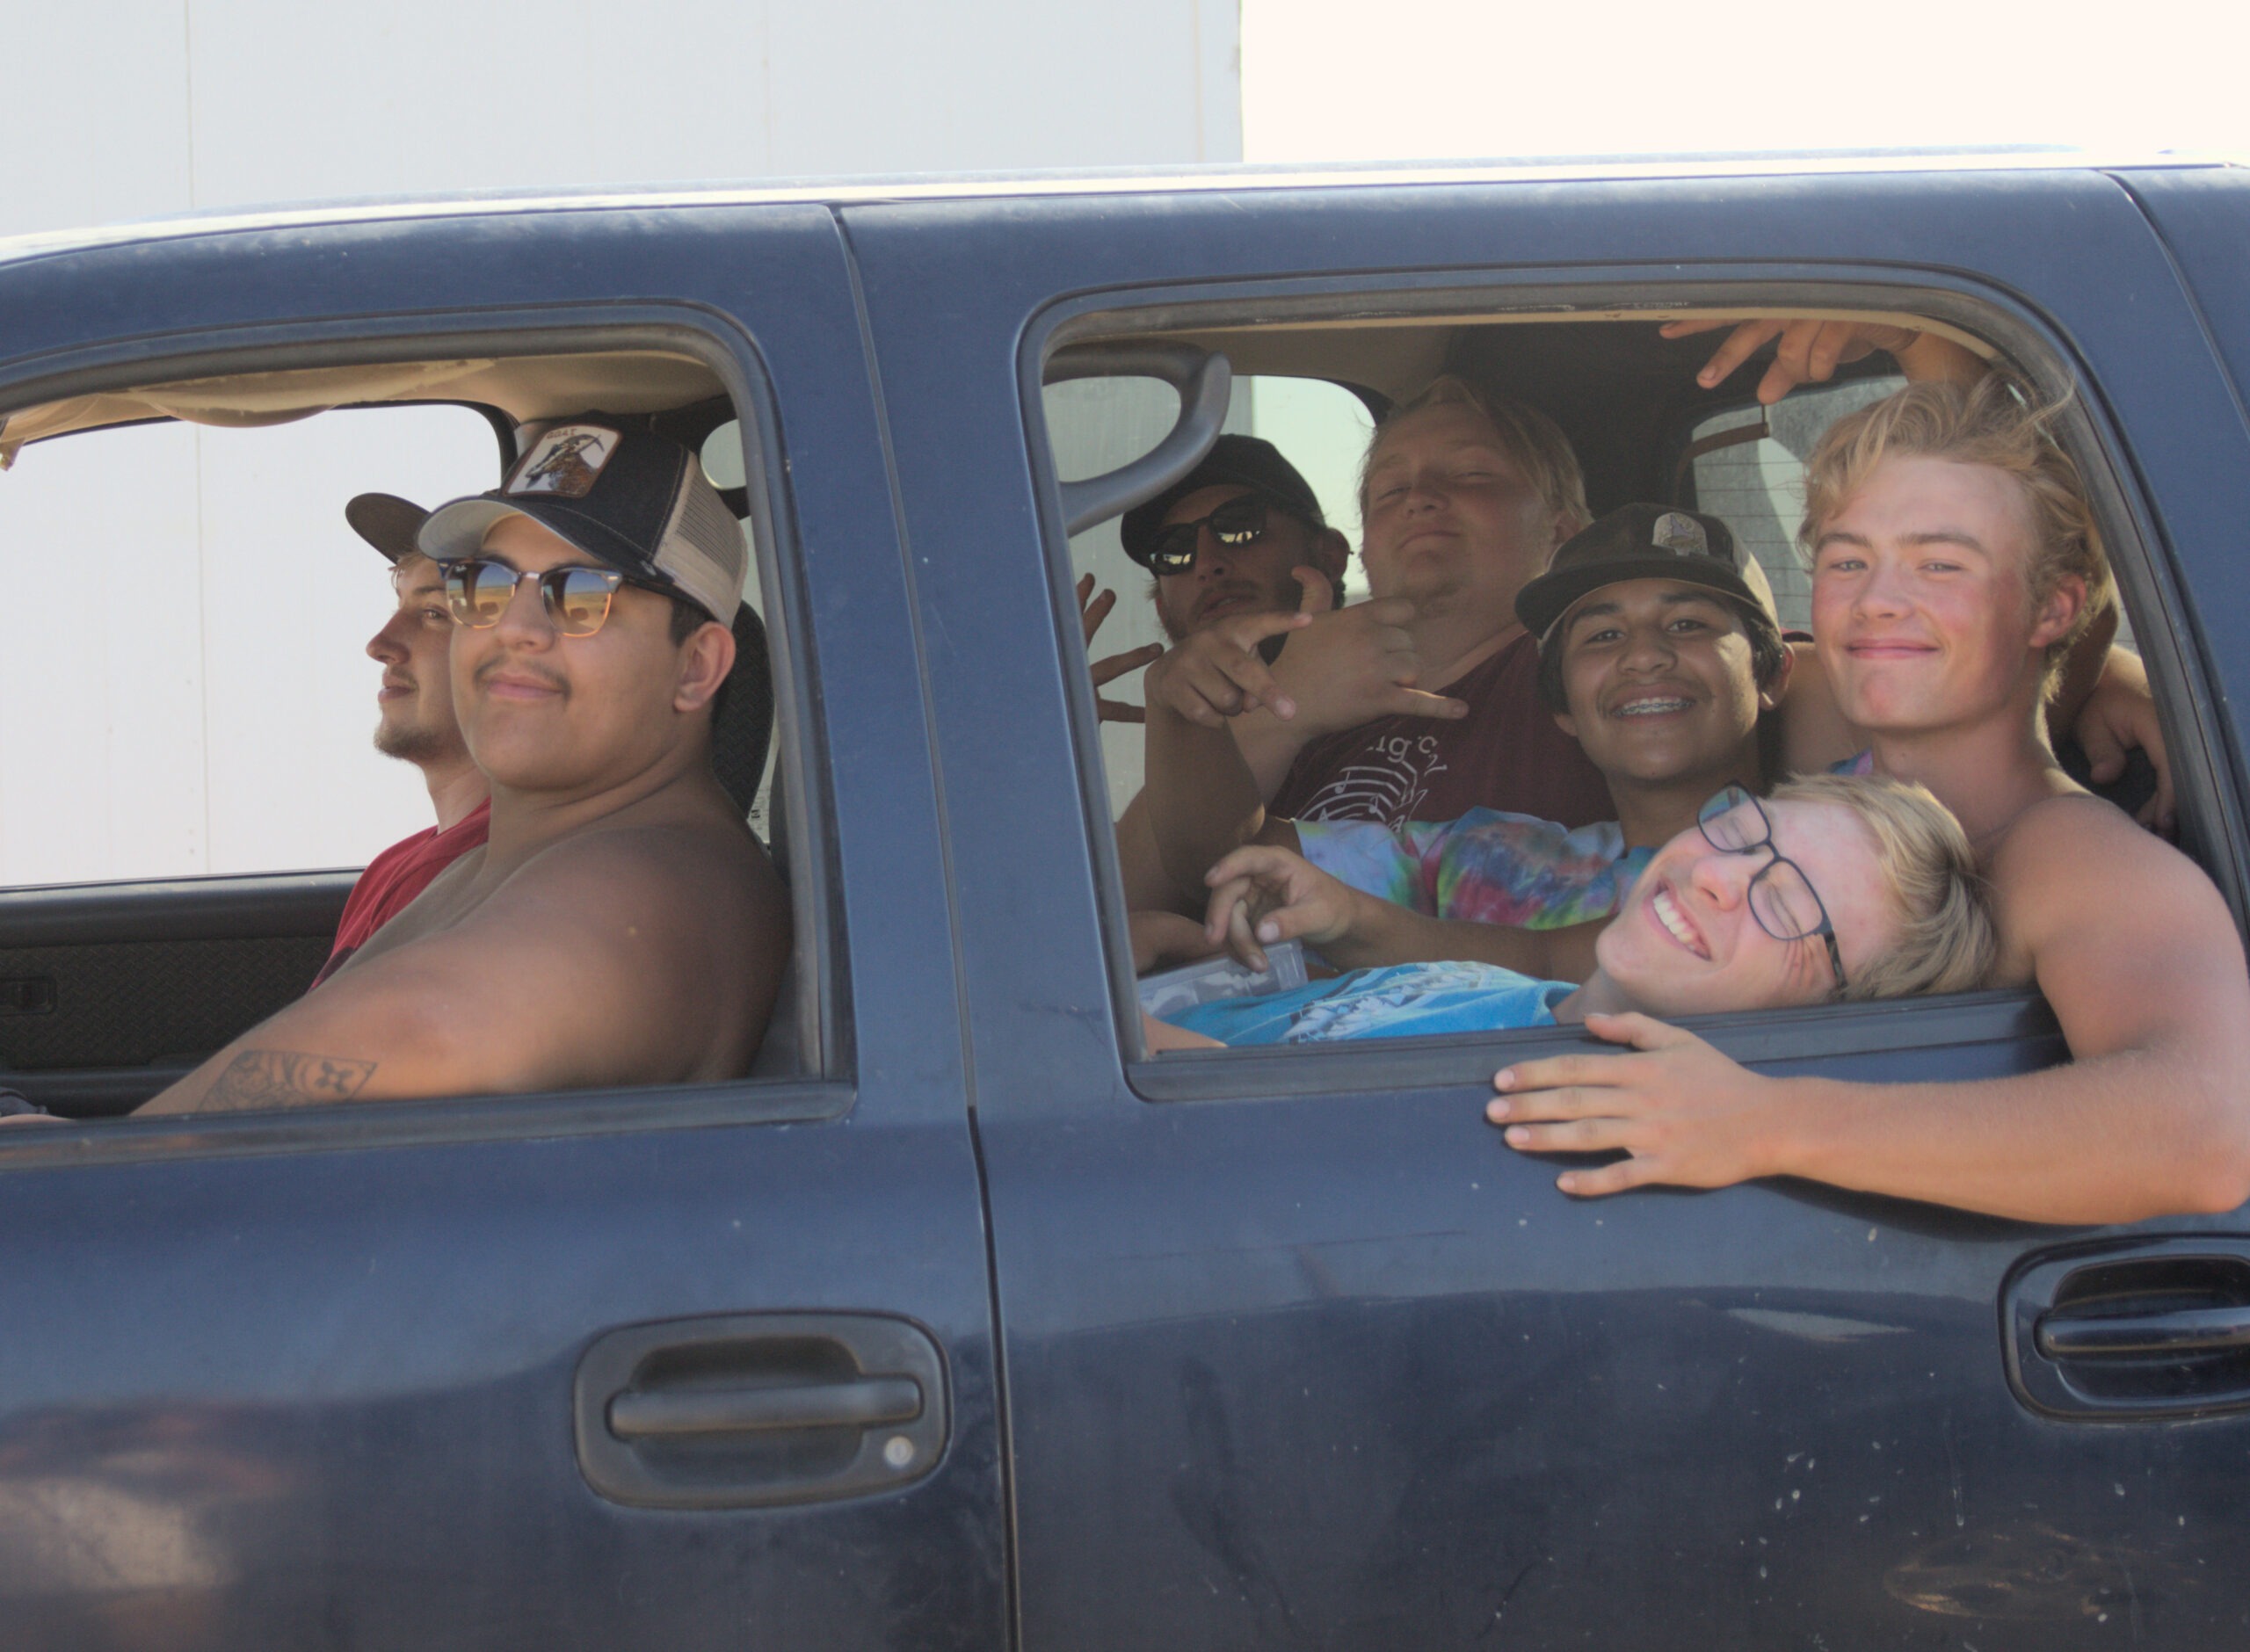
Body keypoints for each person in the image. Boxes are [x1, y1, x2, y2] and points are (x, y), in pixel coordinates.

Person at [1486, 377, 2250, 1221]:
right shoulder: (1838, 786)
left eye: (1939, 564)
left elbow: (2213, 1128)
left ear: (2050, 606)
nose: (1875, 600)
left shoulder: (2063, 853)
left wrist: (1767, 1123)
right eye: (1848, 560)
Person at [136, 417, 789, 1114]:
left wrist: (89, 1171)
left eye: (582, 594)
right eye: (487, 582)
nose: (513, 625)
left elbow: (432, 1030)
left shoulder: (663, 883)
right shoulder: (528, 852)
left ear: (696, 666)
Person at [1147, 504, 1794, 986]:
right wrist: (1184, 712)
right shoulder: (1490, 860)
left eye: (1688, 625)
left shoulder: (1841, 844)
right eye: (1602, 637)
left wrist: (1359, 924)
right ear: (1562, 708)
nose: (1645, 657)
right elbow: (1227, 857)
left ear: (1772, 674)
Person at [1147, 775, 1993, 1048]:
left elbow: (1212, 1112)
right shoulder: (1501, 996)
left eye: (1788, 904)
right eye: (1743, 834)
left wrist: (1080, 1017)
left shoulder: (1529, 1092)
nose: (1719, 879)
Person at [312, 493, 493, 987]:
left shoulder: (474, 873)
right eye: (400, 607)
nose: (380, 645)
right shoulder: (396, 866)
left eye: (436, 614)